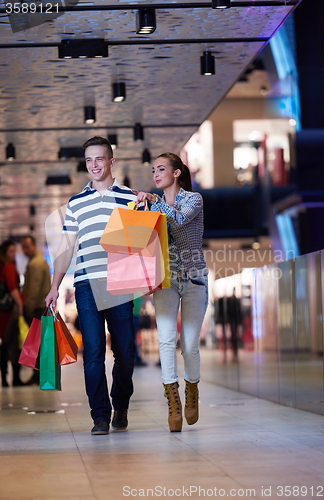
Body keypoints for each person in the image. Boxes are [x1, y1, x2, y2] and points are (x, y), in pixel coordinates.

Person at [45, 136, 138, 436]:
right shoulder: (76, 203)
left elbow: (144, 242)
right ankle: (100, 415)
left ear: (111, 161)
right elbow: (66, 249)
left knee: (125, 351)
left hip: (121, 283)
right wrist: (54, 287)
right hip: (86, 284)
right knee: (94, 352)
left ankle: (120, 403)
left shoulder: (130, 198)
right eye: (89, 160)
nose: (94, 165)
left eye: (99, 159)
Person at [137, 153, 208, 432]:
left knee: (189, 345)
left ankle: (192, 389)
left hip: (194, 279)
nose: (156, 174)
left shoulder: (194, 199)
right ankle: (173, 401)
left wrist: (154, 203)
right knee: (166, 341)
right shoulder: (150, 205)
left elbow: (178, 221)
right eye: (154, 170)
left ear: (177, 173)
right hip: (164, 279)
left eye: (162, 169)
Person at [21, 235, 51, 385]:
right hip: (42, 308)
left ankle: (37, 375)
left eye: (27, 246)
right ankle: (40, 375)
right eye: (23, 247)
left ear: (34, 246)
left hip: (37, 308)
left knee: (36, 343)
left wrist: (28, 308)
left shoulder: (35, 264)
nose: (24, 250)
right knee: (41, 343)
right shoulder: (39, 262)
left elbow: (33, 289)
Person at [0, 239, 24, 387]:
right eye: (11, 251)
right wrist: (20, 304)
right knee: (12, 344)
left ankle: (4, 378)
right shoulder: (8, 267)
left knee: (5, 344)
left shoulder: (2, 266)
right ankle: (12, 378)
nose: (14, 254)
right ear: (4, 253)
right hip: (8, 312)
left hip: (2, 312)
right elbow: (13, 288)